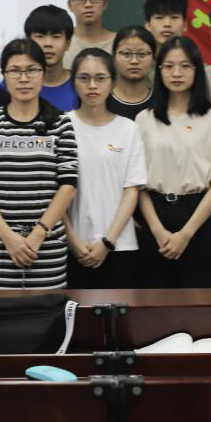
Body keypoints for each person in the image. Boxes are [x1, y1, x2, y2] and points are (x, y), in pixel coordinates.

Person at [0, 39, 78, 290]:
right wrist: (7, 236)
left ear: (43, 73)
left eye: (31, 70)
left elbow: (68, 184)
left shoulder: (60, 123)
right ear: (4, 75)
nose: (24, 78)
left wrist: (38, 234)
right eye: (15, 71)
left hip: (47, 246)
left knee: (47, 312)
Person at [135, 37, 211, 288]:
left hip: (199, 217)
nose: (176, 73)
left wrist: (186, 233)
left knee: (200, 300)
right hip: (155, 217)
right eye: (169, 66)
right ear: (159, 71)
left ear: (197, 70)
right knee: (154, 299)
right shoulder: (144, 119)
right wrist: (158, 230)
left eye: (185, 66)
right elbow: (136, 182)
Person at [65, 49, 147, 289]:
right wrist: (72, 241)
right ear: (74, 82)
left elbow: (132, 190)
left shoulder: (128, 129)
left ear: (112, 82)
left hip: (120, 245)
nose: (92, 85)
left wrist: (108, 242)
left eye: (100, 78)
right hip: (73, 247)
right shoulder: (62, 126)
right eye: (84, 78)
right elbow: (54, 190)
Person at [0, 5, 77, 111]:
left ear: (68, 43)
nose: (48, 43)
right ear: (28, 41)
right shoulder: (10, 85)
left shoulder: (80, 84)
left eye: (56, 36)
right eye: (40, 36)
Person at [64, 0, 116, 67]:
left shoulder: (121, 44)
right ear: (70, 5)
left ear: (105, 3)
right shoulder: (61, 44)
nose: (88, 4)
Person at [107, 26, 156, 120]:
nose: (134, 61)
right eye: (126, 54)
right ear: (113, 58)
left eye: (142, 54)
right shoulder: (101, 102)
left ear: (154, 59)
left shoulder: (163, 102)